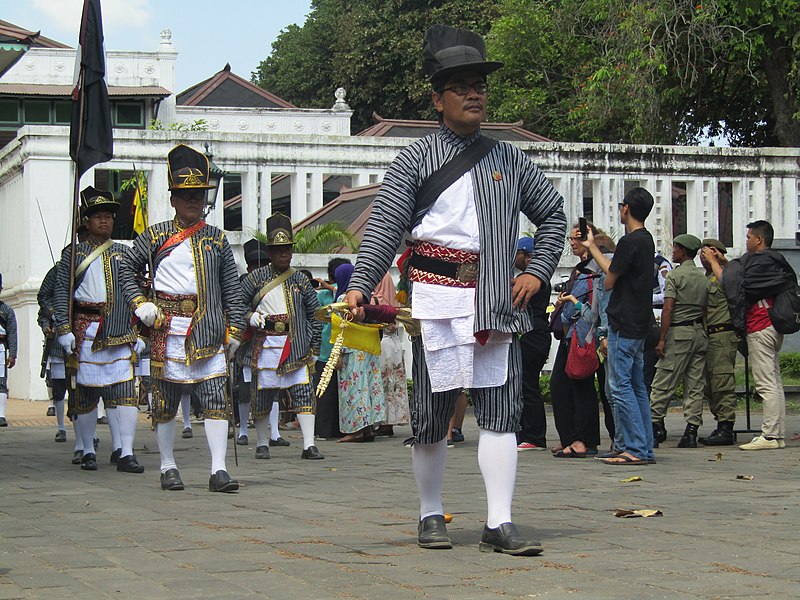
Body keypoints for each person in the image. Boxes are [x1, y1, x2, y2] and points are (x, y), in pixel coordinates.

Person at [345, 24, 566, 555]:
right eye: (462, 86)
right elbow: (384, 228)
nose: (474, 94)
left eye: (480, 86)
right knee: (430, 412)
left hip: (495, 301)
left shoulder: (510, 159)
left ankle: (500, 520)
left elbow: (553, 216)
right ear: (438, 97)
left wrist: (537, 272)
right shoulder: (414, 159)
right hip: (437, 299)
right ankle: (429, 513)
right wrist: (358, 285)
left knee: (501, 408)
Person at [121, 144, 247, 491]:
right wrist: (138, 303)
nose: (193, 201)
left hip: (207, 329)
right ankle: (167, 466)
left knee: (216, 400)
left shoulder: (217, 240)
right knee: (164, 402)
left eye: (198, 195)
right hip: (165, 329)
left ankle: (218, 469)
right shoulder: (155, 236)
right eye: (186, 195)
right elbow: (125, 271)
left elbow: (231, 289)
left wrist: (235, 328)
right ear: (174, 198)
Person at [53, 187, 145, 473]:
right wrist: (64, 329)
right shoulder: (74, 254)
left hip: (119, 331)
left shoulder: (124, 253)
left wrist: (141, 332)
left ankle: (127, 452)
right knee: (86, 396)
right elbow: (60, 294)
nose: (104, 222)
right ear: (87, 221)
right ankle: (89, 449)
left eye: (108, 216)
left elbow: (137, 293)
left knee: (126, 394)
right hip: (85, 330)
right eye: (98, 217)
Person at [239, 213, 323, 460]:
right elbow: (236, 304)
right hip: (265, 345)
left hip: (296, 345)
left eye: (287, 249)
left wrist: (315, 347)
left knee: (304, 393)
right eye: (278, 250)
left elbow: (315, 314)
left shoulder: (301, 280)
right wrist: (249, 316)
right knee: (263, 394)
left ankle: (309, 445)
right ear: (270, 252)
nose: (284, 254)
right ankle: (263, 442)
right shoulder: (255, 279)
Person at [581, 188, 655, 466]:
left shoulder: (629, 242)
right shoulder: (647, 241)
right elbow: (616, 273)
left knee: (620, 386)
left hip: (623, 321)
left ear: (626, 209)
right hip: (640, 320)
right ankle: (643, 446)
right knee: (636, 386)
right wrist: (592, 248)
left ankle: (633, 447)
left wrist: (594, 251)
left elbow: (609, 280)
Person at [703, 220, 790, 450]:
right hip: (770, 326)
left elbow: (734, 285)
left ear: (759, 240)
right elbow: (739, 275)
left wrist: (713, 262)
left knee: (766, 384)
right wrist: (723, 262)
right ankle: (777, 434)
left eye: (749, 237)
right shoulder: (770, 262)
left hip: (761, 326)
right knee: (774, 382)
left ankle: (769, 436)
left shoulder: (762, 261)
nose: (746, 241)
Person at [648, 234, 710, 448]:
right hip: (699, 333)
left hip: (679, 333)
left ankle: (655, 426)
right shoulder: (702, 278)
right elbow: (705, 309)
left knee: (663, 381)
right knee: (694, 384)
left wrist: (662, 338)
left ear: (683, 251)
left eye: (675, 248)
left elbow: (668, 307)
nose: (672, 252)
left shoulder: (675, 276)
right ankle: (691, 431)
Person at [550, 224, 603, 458]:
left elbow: (586, 304)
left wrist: (565, 310)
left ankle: (584, 439)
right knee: (561, 385)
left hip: (583, 334)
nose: (572, 242)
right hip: (572, 334)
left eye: (577, 238)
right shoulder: (580, 269)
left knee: (580, 386)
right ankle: (571, 437)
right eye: (570, 238)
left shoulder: (594, 268)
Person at [335, 263, 386, 442]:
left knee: (354, 389)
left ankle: (355, 430)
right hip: (369, 348)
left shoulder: (345, 298)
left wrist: (337, 353)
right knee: (368, 388)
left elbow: (340, 327)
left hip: (352, 349)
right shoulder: (370, 297)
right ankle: (368, 428)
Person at [697, 238, 738, 445]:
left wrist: (717, 260)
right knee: (709, 384)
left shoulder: (727, 272)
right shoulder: (707, 277)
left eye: (705, 253)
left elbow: (731, 286)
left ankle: (726, 427)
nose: (702, 257)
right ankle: (719, 421)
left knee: (722, 381)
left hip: (723, 334)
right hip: (707, 335)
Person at [515, 237, 551, 452]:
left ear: (529, 256)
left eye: (517, 253)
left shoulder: (535, 280)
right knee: (523, 385)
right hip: (532, 333)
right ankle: (525, 432)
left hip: (533, 333)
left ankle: (535, 436)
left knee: (528, 385)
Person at [313, 257, 351, 440]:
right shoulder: (325, 295)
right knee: (331, 391)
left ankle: (325, 429)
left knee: (327, 392)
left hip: (328, 348)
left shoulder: (331, 295)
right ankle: (332, 429)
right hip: (330, 349)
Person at [372, 272, 409, 437]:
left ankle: (384, 423)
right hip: (394, 345)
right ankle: (389, 422)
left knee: (384, 383)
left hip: (383, 345)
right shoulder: (393, 301)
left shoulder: (377, 302)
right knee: (393, 383)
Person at [0, 273, 18, 427]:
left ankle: (1, 415)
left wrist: (12, 354)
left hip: (0, 348)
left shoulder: (6, 310)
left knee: (1, 383)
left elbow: (12, 332)